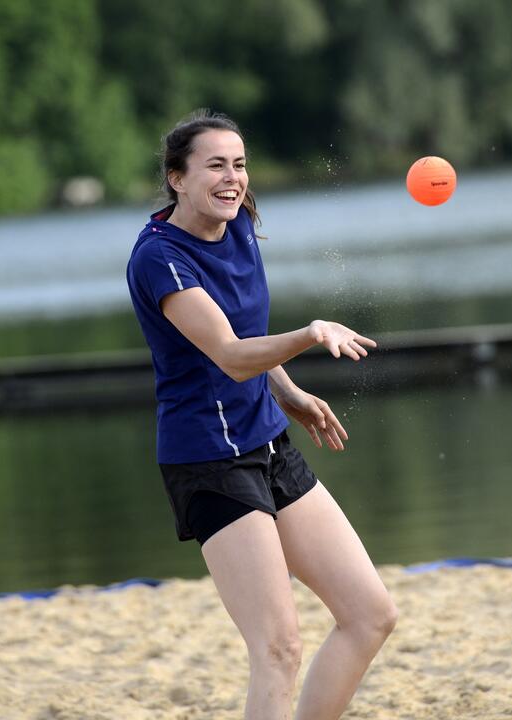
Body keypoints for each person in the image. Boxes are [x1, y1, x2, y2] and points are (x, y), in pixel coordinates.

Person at [126, 109, 397, 720]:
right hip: (208, 460)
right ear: (177, 178)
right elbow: (227, 355)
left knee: (369, 615)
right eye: (215, 165)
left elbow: (244, 335)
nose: (233, 178)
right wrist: (309, 332)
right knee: (278, 648)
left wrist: (291, 394)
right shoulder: (159, 259)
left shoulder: (240, 223)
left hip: (268, 443)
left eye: (240, 164)